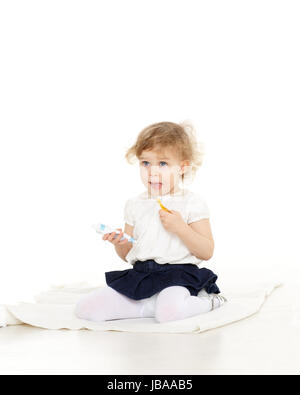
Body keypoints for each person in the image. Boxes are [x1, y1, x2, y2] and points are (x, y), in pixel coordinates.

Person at [75, 121, 227, 323]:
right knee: (86, 309)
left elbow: (206, 251)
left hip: (178, 275)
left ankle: (209, 302)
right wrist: (120, 243)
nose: (152, 172)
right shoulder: (134, 204)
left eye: (163, 164)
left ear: (182, 167)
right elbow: (128, 254)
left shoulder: (192, 202)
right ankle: (151, 305)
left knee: (169, 314)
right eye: (146, 163)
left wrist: (181, 228)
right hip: (143, 275)